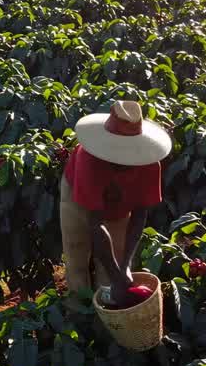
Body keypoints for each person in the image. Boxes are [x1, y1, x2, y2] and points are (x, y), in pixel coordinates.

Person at [60, 100, 171, 307]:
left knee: (115, 269)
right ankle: (77, 312)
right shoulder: (89, 159)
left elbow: (139, 214)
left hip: (120, 205)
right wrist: (116, 272)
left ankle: (107, 316)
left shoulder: (148, 164)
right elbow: (95, 223)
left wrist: (124, 266)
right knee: (77, 254)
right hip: (78, 198)